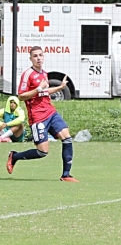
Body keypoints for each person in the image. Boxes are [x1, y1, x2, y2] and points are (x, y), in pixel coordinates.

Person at [6, 46, 77, 182]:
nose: (38, 58)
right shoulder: (28, 74)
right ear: (31, 58)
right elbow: (21, 96)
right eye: (35, 56)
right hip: (38, 117)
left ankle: (66, 175)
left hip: (51, 112)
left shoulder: (44, 73)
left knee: (67, 139)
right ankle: (14, 156)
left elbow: (44, 91)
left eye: (40, 55)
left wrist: (60, 87)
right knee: (42, 152)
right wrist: (38, 89)